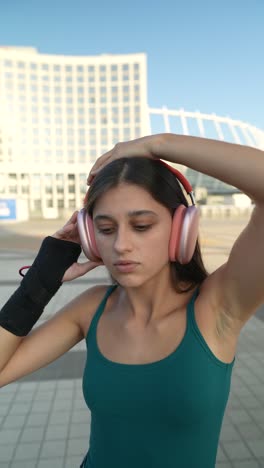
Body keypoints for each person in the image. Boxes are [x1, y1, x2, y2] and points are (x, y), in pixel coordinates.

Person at [0, 133, 264, 468]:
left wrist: (157, 145)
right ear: (91, 240)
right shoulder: (92, 308)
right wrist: (41, 278)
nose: (121, 245)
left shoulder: (217, 307)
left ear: (182, 227)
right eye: (106, 230)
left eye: (141, 225)